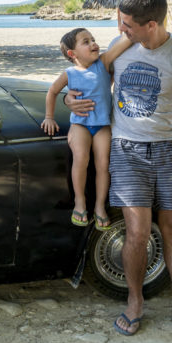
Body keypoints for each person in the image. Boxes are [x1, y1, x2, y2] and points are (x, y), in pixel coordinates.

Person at [66, 0, 172, 343]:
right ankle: (135, 302)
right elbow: (87, 76)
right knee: (136, 232)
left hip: (169, 150)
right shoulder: (120, 47)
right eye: (120, 21)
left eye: (128, 25)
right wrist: (70, 98)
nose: (121, 28)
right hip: (127, 150)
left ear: (151, 24)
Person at [41, 28, 133, 230]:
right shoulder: (69, 73)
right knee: (81, 159)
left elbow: (123, 43)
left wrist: (128, 29)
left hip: (102, 126)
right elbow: (52, 91)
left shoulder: (103, 63)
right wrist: (49, 117)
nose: (93, 43)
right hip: (80, 125)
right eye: (86, 41)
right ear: (72, 54)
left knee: (103, 164)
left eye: (93, 39)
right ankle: (80, 201)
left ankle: (100, 205)